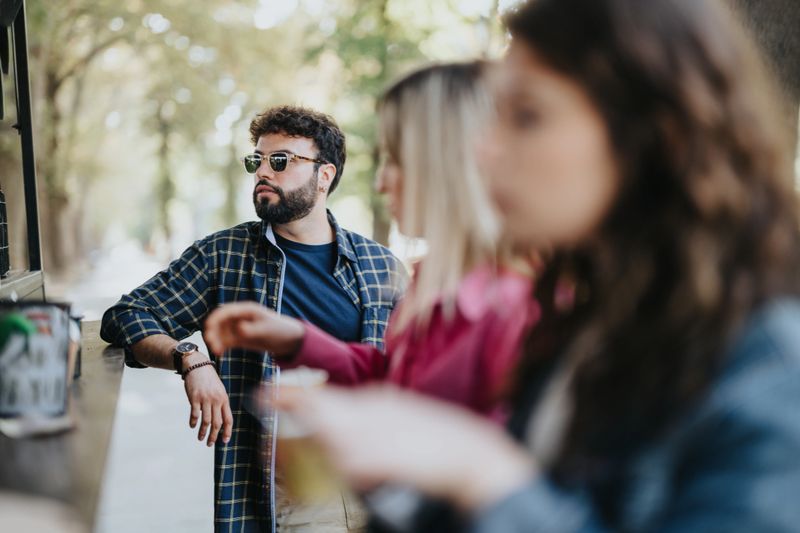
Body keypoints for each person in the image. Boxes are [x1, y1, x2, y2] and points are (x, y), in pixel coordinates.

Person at [269, 0, 800, 531]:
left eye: (527, 116)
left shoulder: (768, 367)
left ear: (655, 131)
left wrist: (481, 472)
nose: (485, 153)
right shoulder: (592, 320)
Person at [100, 105, 407, 532]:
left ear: (324, 175)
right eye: (257, 160)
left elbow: (409, 375)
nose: (263, 171)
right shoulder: (223, 256)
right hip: (288, 489)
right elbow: (126, 315)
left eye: (280, 161)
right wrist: (191, 358)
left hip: (379, 478)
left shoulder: (380, 266)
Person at [204, 61, 538, 421]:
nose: (380, 183)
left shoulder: (515, 307)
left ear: (449, 163)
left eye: (393, 160)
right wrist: (296, 339)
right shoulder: (434, 283)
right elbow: (395, 379)